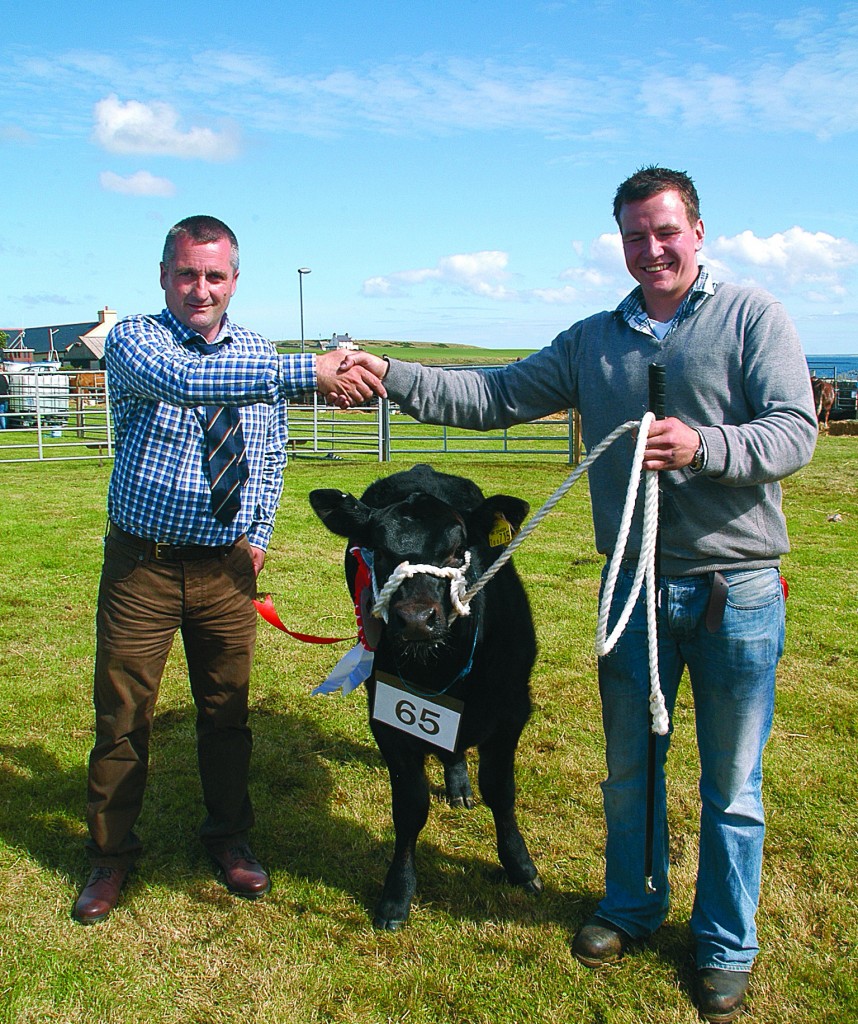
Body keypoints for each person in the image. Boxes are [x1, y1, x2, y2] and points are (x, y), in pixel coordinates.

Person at [345, 167, 817, 1022]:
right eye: (636, 235)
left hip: (733, 589)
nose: (652, 248)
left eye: (666, 231)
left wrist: (704, 443)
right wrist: (390, 371)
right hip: (631, 590)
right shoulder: (595, 341)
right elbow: (492, 393)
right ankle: (632, 908)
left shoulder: (755, 316)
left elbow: (794, 429)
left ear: (699, 231)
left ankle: (724, 945)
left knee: (732, 784)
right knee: (630, 770)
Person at [72, 215, 385, 925]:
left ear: (235, 280)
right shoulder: (135, 341)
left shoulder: (256, 351)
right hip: (141, 567)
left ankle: (229, 837)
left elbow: (271, 454)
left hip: (226, 567)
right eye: (188, 274)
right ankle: (109, 856)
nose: (201, 289)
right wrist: (312, 368)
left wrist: (258, 536)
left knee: (226, 711)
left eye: (215, 276)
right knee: (122, 714)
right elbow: (186, 381)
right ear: (163, 276)